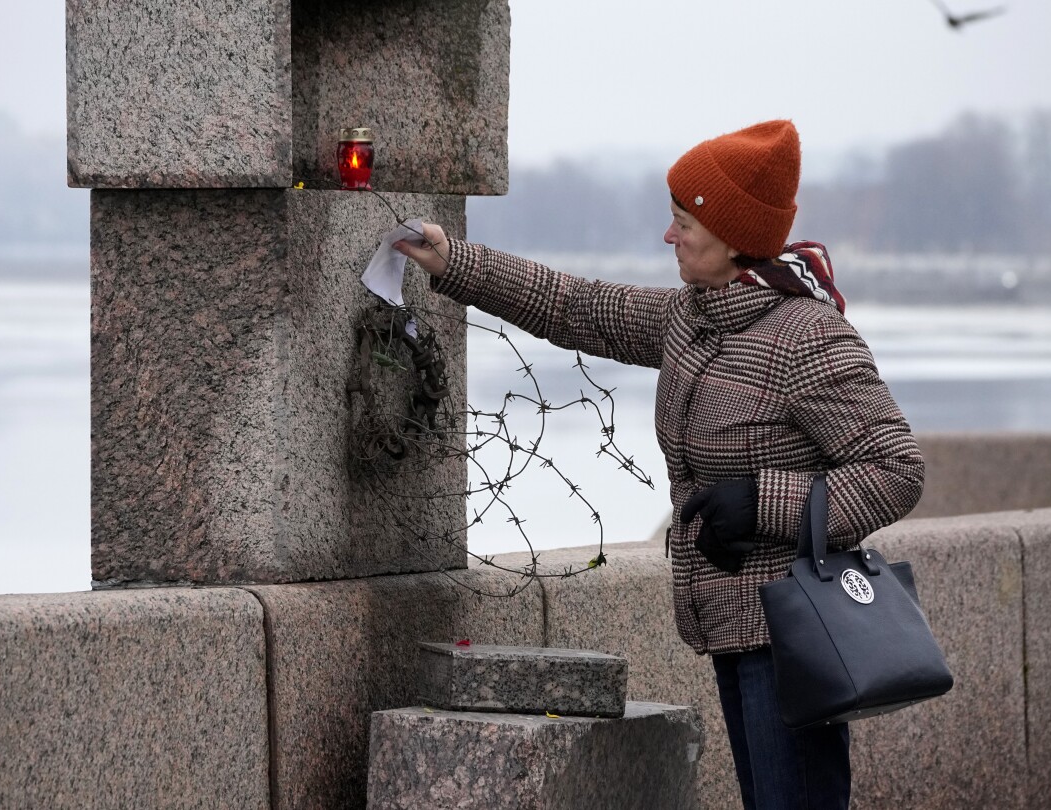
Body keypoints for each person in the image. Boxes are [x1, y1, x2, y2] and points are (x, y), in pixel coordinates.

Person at [395, 120, 924, 810]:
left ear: (734, 236)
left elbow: (896, 469)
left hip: (799, 634)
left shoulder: (809, 339)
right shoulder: (693, 317)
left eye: (683, 223)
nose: (668, 237)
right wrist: (453, 262)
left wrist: (763, 501)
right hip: (736, 629)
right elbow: (575, 307)